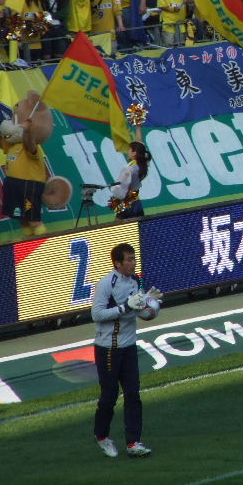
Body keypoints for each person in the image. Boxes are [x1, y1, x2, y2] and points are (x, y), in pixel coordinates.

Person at [91, 242, 155, 458]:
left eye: (134, 258)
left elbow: (136, 311)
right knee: (109, 397)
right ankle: (101, 436)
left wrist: (150, 306)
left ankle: (133, 442)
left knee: (133, 394)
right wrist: (125, 306)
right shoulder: (106, 284)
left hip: (129, 347)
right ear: (117, 263)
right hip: (108, 349)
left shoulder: (136, 281)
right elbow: (97, 315)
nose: (133, 263)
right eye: (129, 259)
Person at [0, 111, 48, 236]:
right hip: (12, 184)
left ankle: (44, 243)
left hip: (29, 185)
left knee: (33, 218)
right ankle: (28, 241)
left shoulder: (30, 146)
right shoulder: (11, 145)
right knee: (21, 218)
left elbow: (30, 143)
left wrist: (28, 130)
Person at [110, 133, 151, 218]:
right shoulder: (143, 164)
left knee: (118, 226)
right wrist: (138, 128)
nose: (127, 151)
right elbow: (140, 146)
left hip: (127, 203)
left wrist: (116, 200)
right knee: (137, 225)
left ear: (134, 153)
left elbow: (122, 189)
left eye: (129, 149)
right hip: (136, 202)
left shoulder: (130, 169)